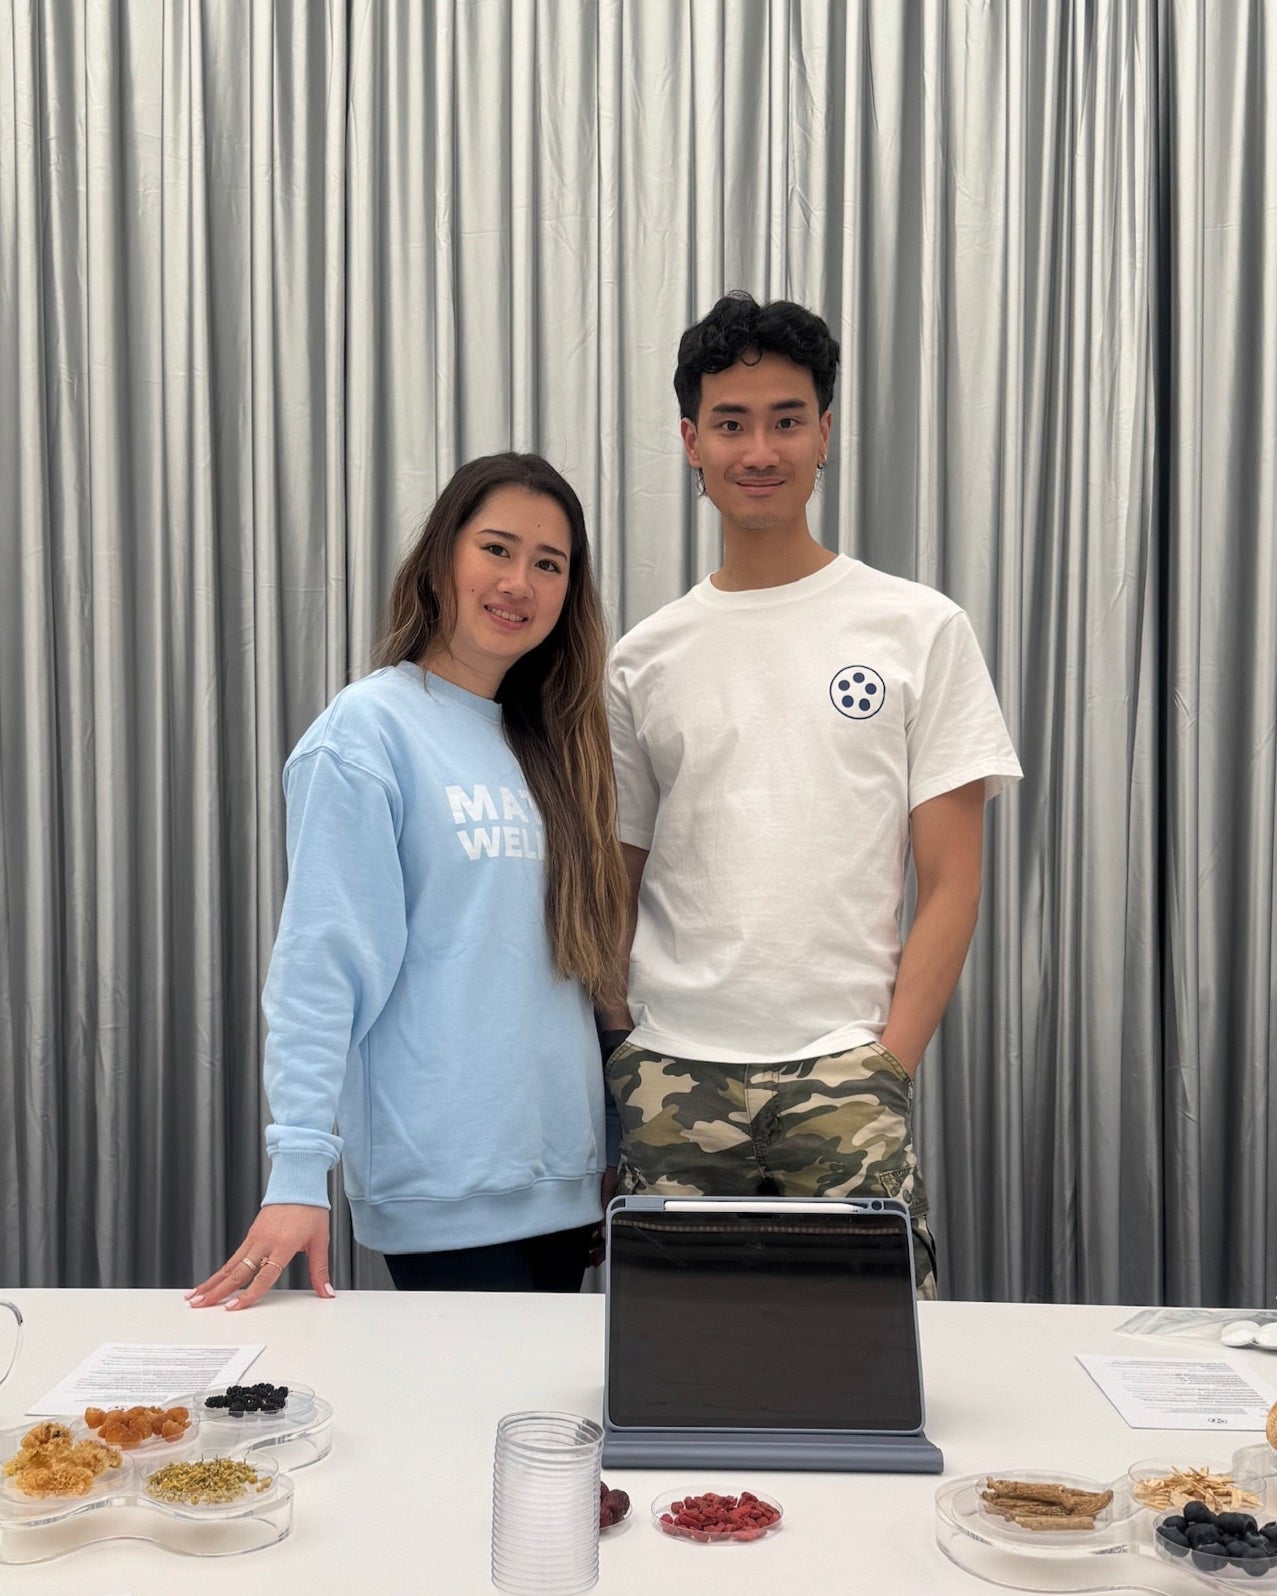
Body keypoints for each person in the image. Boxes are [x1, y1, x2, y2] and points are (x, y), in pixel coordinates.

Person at [600, 293, 1022, 1297]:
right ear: (690, 441)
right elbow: (613, 881)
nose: (759, 448)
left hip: (843, 1068)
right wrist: (625, 1047)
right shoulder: (640, 658)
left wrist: (886, 1061)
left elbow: (951, 878)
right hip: (670, 1071)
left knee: (863, 1373)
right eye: (731, 422)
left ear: (823, 432)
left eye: (786, 419)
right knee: (674, 1378)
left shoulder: (916, 629)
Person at [190, 453, 628, 1307]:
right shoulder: (367, 732)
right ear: (441, 560)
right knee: (475, 1429)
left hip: (568, 1183)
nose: (518, 582)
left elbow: (578, 972)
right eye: (496, 550)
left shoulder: (552, 745)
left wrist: (611, 1144)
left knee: (544, 1434)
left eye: (549, 564)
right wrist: (297, 1170)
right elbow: (324, 966)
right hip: (444, 1188)